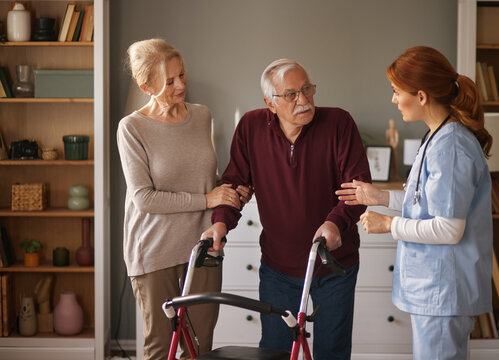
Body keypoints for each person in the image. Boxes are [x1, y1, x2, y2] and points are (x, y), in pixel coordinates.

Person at [201, 58, 371, 359]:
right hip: (278, 269)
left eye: (307, 89)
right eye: (291, 94)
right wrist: (220, 224)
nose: (303, 100)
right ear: (270, 102)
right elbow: (234, 186)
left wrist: (333, 223)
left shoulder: (339, 123)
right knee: (275, 351)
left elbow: (356, 188)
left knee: (332, 351)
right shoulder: (251, 128)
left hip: (334, 266)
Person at [337, 46, 493, 359]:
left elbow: (448, 228)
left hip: (443, 291)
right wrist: (379, 197)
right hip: (435, 290)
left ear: (421, 96)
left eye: (396, 92)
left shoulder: (449, 147)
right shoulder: (437, 137)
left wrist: (388, 224)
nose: (393, 100)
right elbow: (426, 201)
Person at [117, 38, 251, 360]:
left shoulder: (202, 115)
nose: (181, 85)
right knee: (162, 348)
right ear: (146, 85)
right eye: (170, 80)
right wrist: (207, 199)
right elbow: (145, 198)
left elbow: (201, 177)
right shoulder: (132, 128)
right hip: (153, 250)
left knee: (200, 346)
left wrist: (229, 190)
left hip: (202, 245)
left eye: (182, 75)